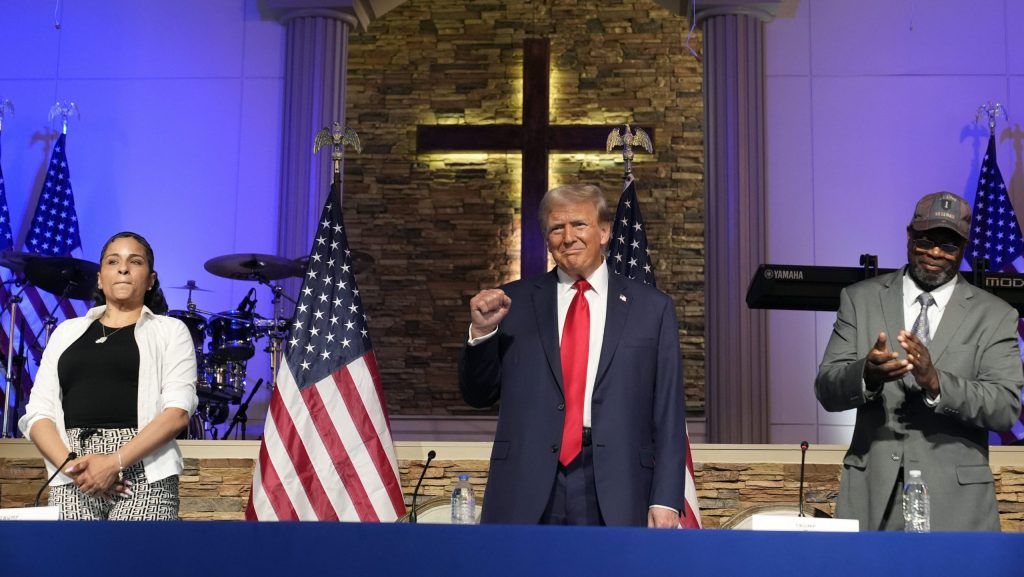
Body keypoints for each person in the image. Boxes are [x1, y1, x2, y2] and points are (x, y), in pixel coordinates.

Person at [459, 184, 687, 527]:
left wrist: (666, 498)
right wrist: (481, 333)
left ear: (605, 231)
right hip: (526, 483)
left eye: (579, 225)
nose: (568, 237)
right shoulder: (511, 303)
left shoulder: (652, 309)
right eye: (556, 228)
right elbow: (478, 394)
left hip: (617, 483)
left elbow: (669, 411)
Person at [816, 191, 1023, 531]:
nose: (936, 253)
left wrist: (937, 383)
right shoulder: (860, 299)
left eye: (950, 245)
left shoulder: (995, 315)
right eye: (926, 240)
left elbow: (1005, 408)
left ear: (965, 248)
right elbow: (826, 387)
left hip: (957, 507)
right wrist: (866, 375)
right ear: (909, 234)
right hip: (872, 498)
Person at [19, 231, 198, 520]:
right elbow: (38, 413)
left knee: (132, 564)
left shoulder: (171, 331)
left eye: (135, 261)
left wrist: (113, 462)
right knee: (75, 565)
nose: (123, 268)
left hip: (145, 473)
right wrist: (75, 469)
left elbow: (178, 413)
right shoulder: (66, 332)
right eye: (113, 261)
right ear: (100, 278)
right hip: (73, 470)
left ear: (150, 279)